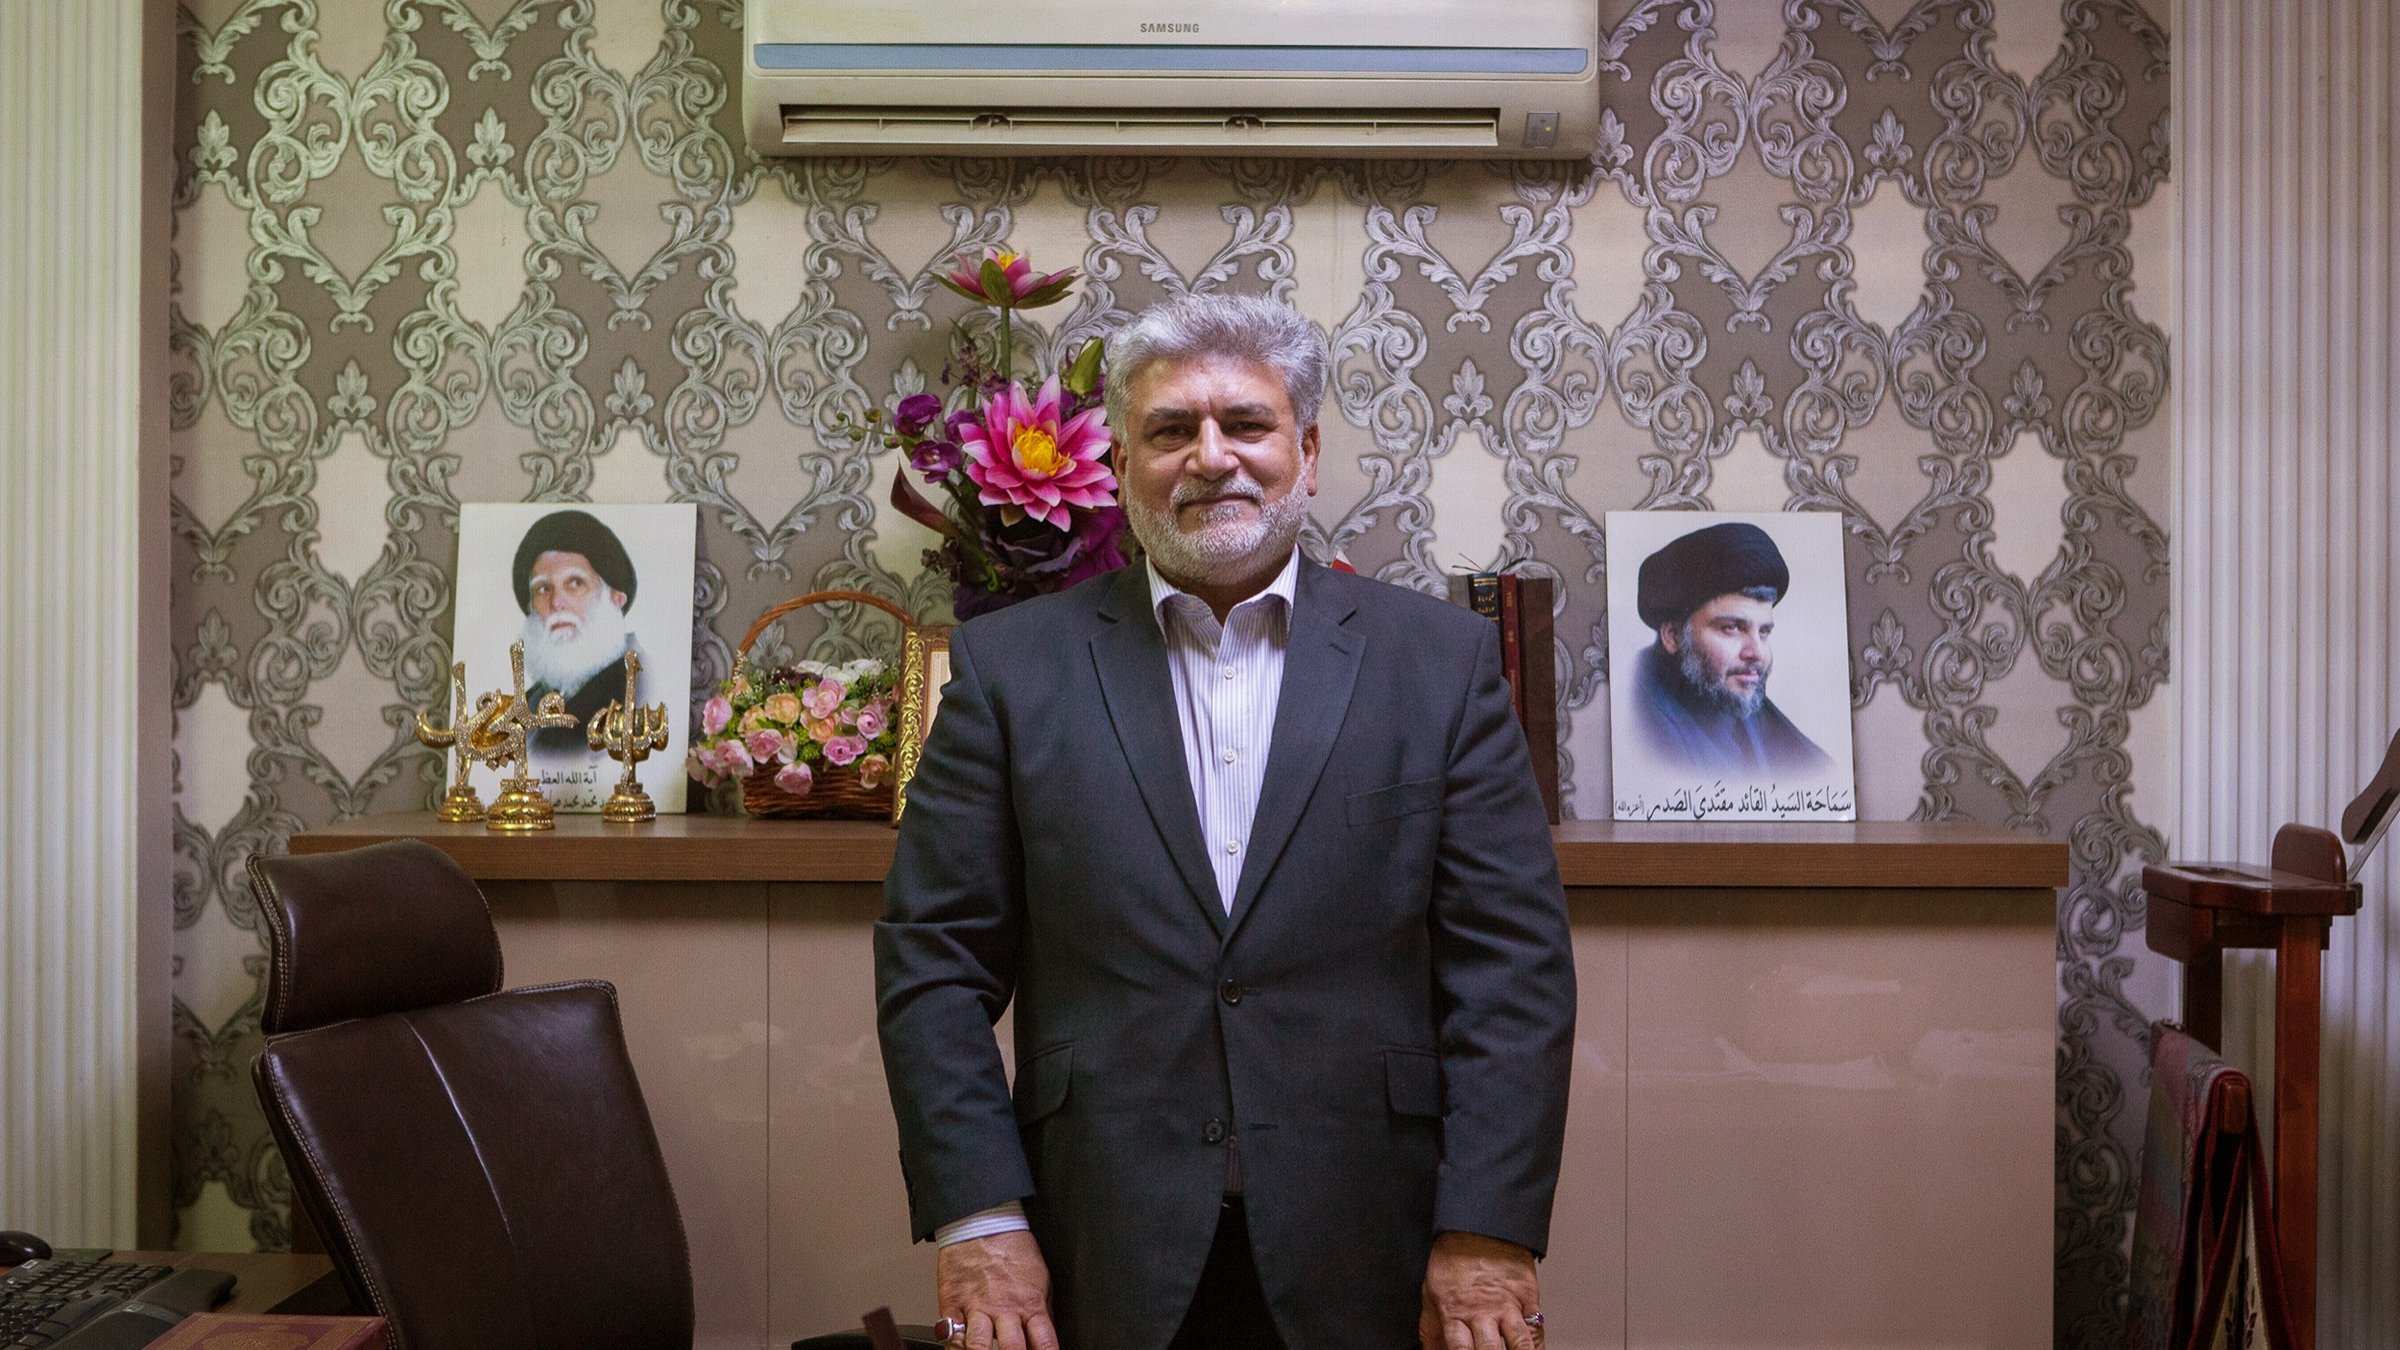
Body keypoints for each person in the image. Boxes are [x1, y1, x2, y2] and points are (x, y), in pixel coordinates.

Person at [876, 293, 1575, 1350]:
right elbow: (934, 963)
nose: (1212, 458)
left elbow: (1512, 971)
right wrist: (980, 1219)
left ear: (1307, 451)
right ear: (1122, 463)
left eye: (1246, 424)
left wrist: (1486, 1228)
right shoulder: (1008, 670)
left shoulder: (1441, 665)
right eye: (1171, 431)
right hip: (1097, 1243)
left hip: (1374, 1238)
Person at [1624, 521, 1834, 780]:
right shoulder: (1638, 728)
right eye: (1732, 628)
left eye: (1764, 632)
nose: (1756, 653)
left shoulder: (1739, 704)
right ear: (1673, 636)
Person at [511, 508, 644, 753]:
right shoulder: (529, 704)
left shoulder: (639, 690)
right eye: (543, 589)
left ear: (615, 598)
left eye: (575, 583)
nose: (556, 603)